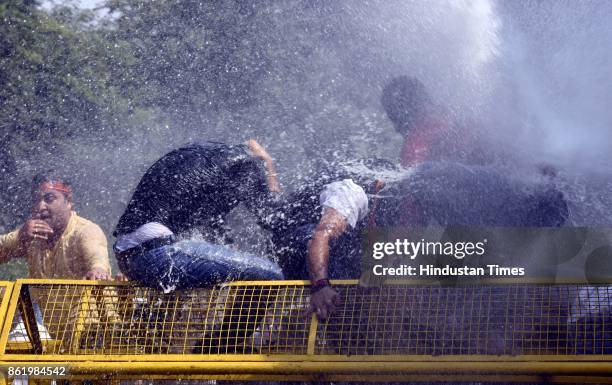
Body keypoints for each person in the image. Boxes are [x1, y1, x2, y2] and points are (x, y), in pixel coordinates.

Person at [113, 140, 283, 291]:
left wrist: (227, 245)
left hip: (129, 259)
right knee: (273, 273)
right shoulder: (247, 164)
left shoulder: (203, 158)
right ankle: (239, 329)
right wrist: (269, 166)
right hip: (160, 255)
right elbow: (272, 218)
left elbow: (212, 219)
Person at [267, 159, 398, 320]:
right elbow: (321, 235)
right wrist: (320, 285)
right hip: (294, 244)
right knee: (339, 279)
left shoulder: (373, 206)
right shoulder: (352, 193)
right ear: (379, 183)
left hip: (302, 242)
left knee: (354, 263)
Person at [0, 173, 112, 280]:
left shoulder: (85, 231)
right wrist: (19, 236)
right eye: (36, 200)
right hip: (43, 300)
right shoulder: (30, 236)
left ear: (68, 201)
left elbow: (98, 263)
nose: (40, 207)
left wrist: (98, 270)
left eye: (49, 199)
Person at [381, 76, 484, 167]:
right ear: (425, 97)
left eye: (390, 115)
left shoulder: (413, 147)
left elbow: (412, 184)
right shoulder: (457, 115)